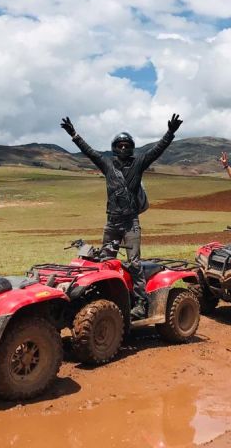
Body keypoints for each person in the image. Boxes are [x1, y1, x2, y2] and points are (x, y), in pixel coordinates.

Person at [60, 114, 183, 320]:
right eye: (120, 145)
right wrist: (74, 134)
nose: (124, 149)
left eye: (127, 145)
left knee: (134, 263)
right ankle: (110, 299)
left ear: (132, 147)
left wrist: (170, 133)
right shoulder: (107, 165)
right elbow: (89, 152)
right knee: (105, 262)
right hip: (112, 223)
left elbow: (157, 151)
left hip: (131, 223)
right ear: (115, 147)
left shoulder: (139, 163)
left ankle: (141, 304)